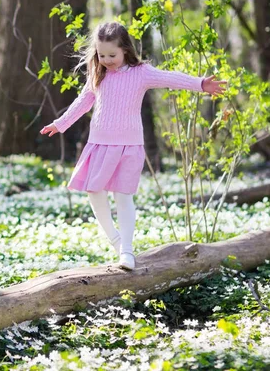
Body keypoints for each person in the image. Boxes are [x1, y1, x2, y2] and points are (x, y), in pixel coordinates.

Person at [40, 21, 226, 270]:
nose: (106, 59)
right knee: (94, 191)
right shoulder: (99, 74)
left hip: (128, 147)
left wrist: (200, 84)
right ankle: (115, 241)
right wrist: (60, 123)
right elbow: (83, 101)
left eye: (112, 55)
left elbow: (170, 78)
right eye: (101, 54)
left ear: (125, 49)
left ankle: (126, 251)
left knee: (123, 197)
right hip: (100, 143)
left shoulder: (141, 73)